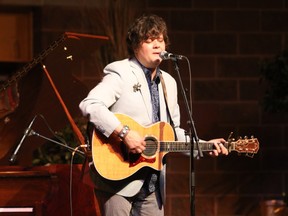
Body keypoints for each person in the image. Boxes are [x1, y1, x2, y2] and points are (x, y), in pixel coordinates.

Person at [79, 14, 228, 216]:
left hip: (153, 183)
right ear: (135, 46)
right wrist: (124, 133)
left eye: (161, 40)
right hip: (118, 179)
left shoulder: (169, 82)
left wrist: (203, 145)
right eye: (150, 40)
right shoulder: (121, 73)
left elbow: (173, 133)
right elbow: (91, 104)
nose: (158, 45)